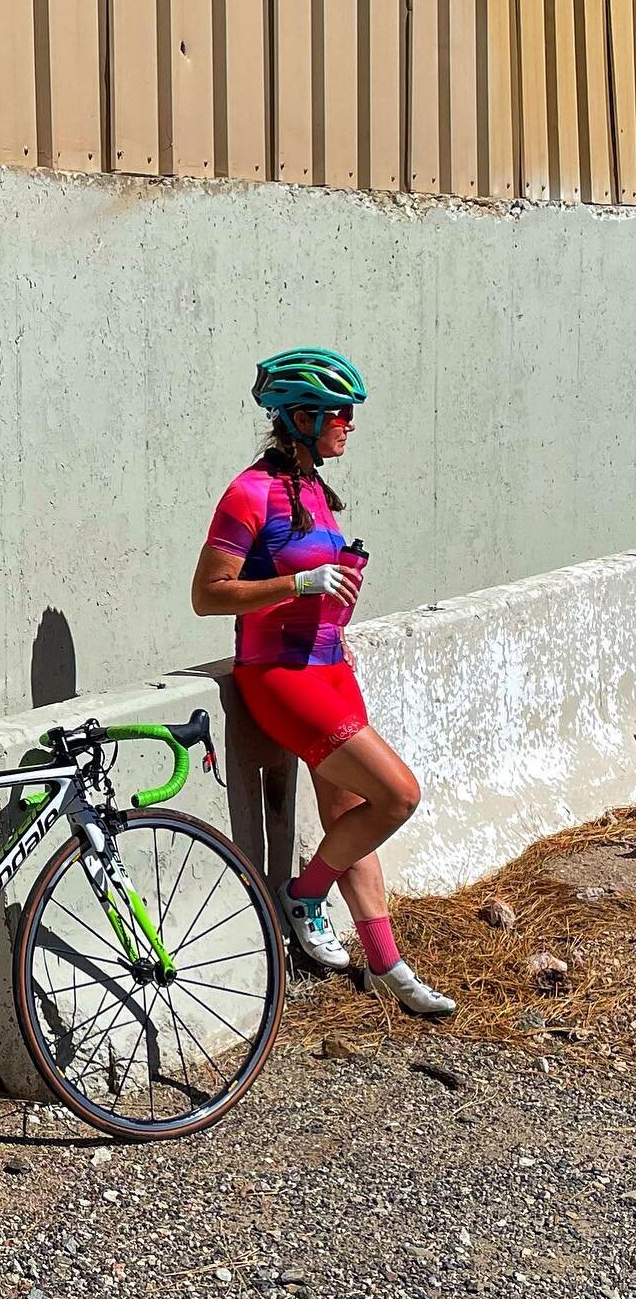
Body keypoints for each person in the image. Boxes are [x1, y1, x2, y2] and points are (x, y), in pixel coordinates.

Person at [190, 347, 455, 1016]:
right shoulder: (249, 492)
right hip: (280, 676)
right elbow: (208, 594)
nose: (350, 423)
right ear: (300, 417)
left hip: (331, 666)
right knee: (396, 796)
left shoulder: (312, 489)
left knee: (349, 819)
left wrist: (334, 601)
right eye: (340, 412)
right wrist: (299, 582)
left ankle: (391, 969)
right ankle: (304, 896)